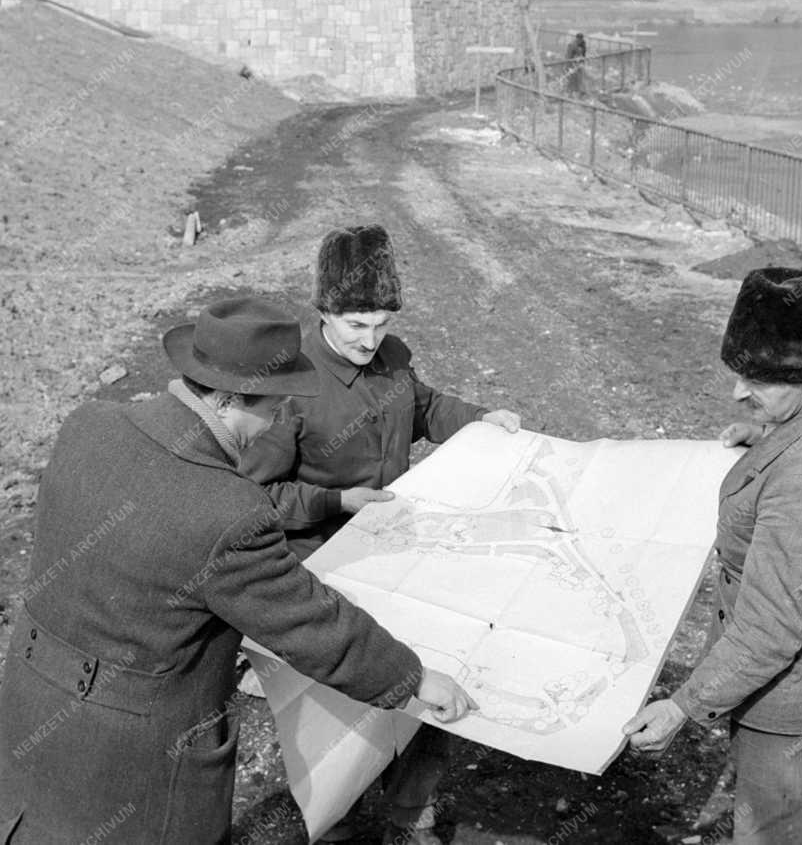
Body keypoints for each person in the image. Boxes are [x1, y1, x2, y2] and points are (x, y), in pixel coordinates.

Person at [0, 296, 475, 844]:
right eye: (272, 408)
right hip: (139, 758)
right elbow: (310, 624)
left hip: (33, 701)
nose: (275, 422)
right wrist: (410, 677)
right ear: (227, 400)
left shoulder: (88, 425)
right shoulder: (227, 511)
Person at [239, 224, 521, 845]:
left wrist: (481, 420)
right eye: (355, 325)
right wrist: (337, 499)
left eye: (382, 323)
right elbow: (252, 497)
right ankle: (334, 812)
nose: (371, 340)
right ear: (323, 314)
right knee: (344, 699)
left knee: (431, 673)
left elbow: (424, 407)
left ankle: (407, 813)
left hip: (397, 552)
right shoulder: (293, 385)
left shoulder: (395, 360)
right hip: (324, 567)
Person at [624, 267, 802, 845]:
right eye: (741, 374)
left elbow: (769, 632)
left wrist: (681, 707)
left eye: (761, 382)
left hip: (797, 707)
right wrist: (768, 434)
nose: (738, 392)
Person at [564, 31, 587, 96]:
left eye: (581, 39)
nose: (580, 40)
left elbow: (582, 55)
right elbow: (570, 56)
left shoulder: (580, 44)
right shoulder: (572, 44)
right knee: (571, 79)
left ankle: (579, 91)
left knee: (577, 78)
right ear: (577, 38)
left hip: (576, 64)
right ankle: (570, 93)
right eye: (579, 39)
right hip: (571, 64)